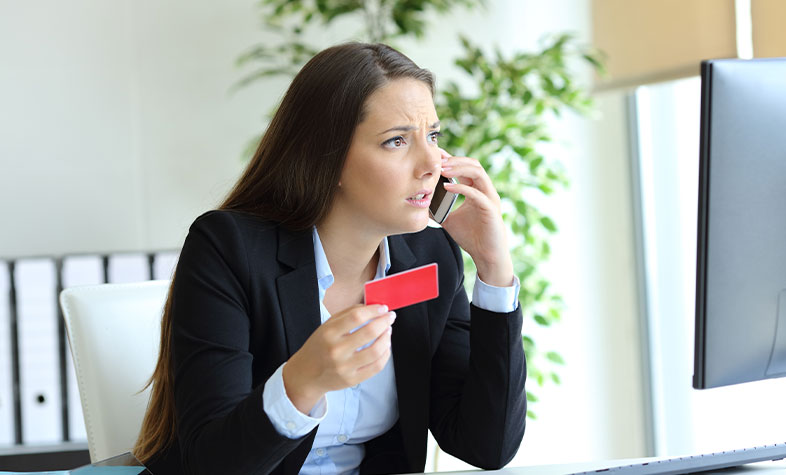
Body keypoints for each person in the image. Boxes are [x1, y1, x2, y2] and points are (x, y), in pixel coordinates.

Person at [133, 42, 527, 475]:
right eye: (396, 141)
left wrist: (494, 269)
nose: (432, 163)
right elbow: (211, 464)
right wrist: (301, 383)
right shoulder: (229, 248)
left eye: (433, 136)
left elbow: (487, 446)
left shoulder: (430, 258)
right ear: (329, 157)